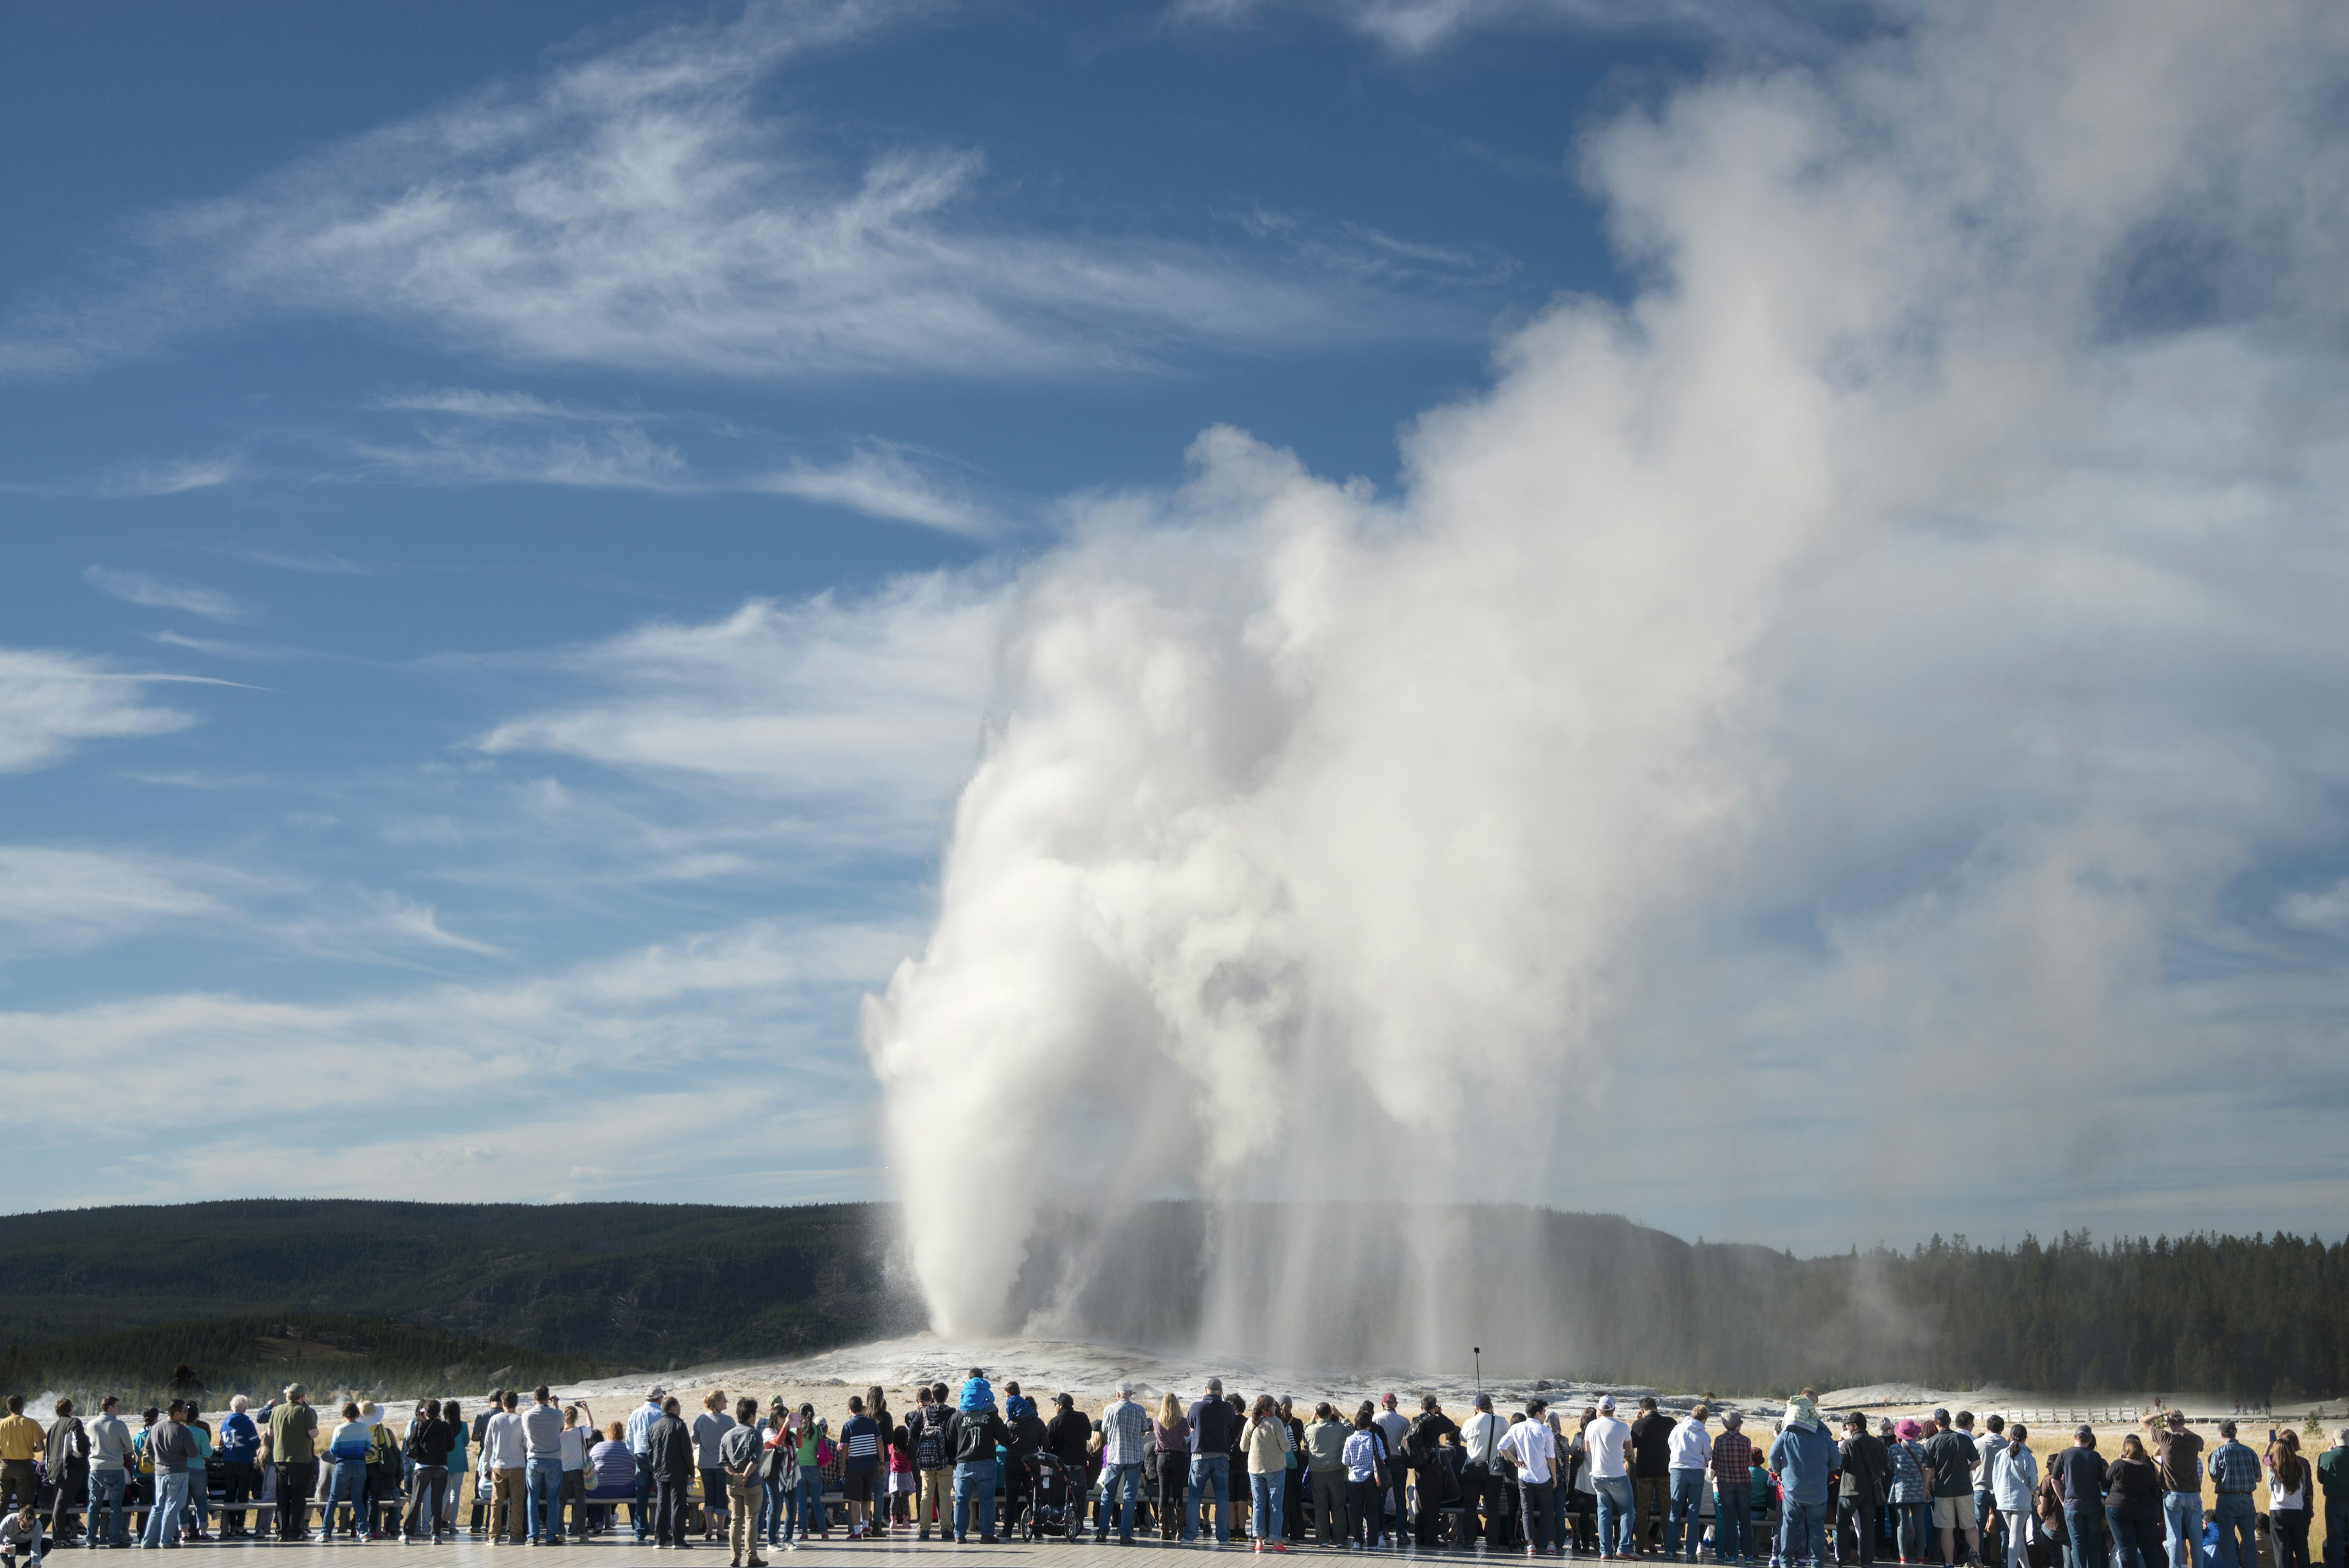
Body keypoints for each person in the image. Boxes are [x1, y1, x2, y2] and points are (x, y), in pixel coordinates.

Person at [1770, 1397, 1838, 1568]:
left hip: (1792, 1492)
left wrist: (1779, 1473)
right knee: (1816, 1527)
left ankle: (1785, 1562)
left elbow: (1772, 1457)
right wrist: (1823, 1469)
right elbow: (1837, 1462)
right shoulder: (1823, 1435)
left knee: (1789, 1525)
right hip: (1817, 1493)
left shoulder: (1787, 1435)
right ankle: (1816, 1563)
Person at [948, 1378, 1012, 1545]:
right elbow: (1004, 1438)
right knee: (986, 1500)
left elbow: (949, 1435)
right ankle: (987, 1534)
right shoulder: (991, 1415)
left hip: (963, 1463)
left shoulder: (958, 1414)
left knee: (961, 1500)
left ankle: (960, 1534)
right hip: (986, 1462)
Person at [1500, 1397, 1560, 1558]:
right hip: (1543, 1477)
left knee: (1527, 1511)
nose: (1545, 1416)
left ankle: (1530, 1545)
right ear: (1538, 1413)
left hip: (1525, 1477)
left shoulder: (1517, 1428)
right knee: (1547, 1510)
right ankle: (1551, 1545)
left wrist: (1516, 1462)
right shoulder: (1545, 1431)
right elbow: (1551, 1457)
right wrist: (1554, 1476)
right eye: (1544, 1413)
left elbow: (1502, 1446)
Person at [1919, 1410, 1980, 1568]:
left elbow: (1927, 1470)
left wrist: (1925, 1490)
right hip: (1964, 1489)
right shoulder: (1963, 1439)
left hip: (1943, 1491)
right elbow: (1977, 1462)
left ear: (1935, 1423)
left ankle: (1949, 1563)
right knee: (1970, 1525)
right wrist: (1965, 1469)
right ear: (1950, 1421)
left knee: (1946, 1528)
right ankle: (1975, 1553)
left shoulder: (1931, 1443)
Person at [1095, 1382, 1151, 1545]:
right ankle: (1125, 1534)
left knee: (1108, 1495)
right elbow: (1143, 1431)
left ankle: (1102, 1532)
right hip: (1134, 1456)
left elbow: (1105, 1430)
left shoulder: (1109, 1409)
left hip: (1115, 1456)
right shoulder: (1139, 1410)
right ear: (1130, 1394)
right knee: (1129, 1496)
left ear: (1118, 1394)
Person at [2149, 1412, 2203, 1568]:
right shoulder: (2195, 1447)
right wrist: (2182, 1429)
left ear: (2169, 1423)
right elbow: (2201, 1442)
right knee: (2196, 1540)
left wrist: (2163, 1413)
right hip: (2193, 1496)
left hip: (2173, 1494)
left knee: (2174, 1540)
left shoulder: (2167, 1440)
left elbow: (2143, 1421)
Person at [1185, 1378, 1236, 1545]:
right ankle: (1222, 1537)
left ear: (1205, 1390)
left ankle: (1190, 1535)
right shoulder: (1227, 1408)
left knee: (1194, 1497)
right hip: (1221, 1456)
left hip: (1200, 1457)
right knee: (1222, 1498)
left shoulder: (1196, 1407)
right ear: (1221, 1391)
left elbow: (1191, 1424)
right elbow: (1231, 1423)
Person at [719, 1397, 767, 1568]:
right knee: (751, 1520)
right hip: (752, 1482)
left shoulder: (727, 1435)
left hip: (731, 1482)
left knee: (735, 1520)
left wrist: (736, 1476)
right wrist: (745, 1476)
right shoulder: (755, 1434)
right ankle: (752, 1556)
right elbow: (755, 1460)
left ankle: (734, 1557)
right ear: (752, 1416)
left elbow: (723, 1461)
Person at [2049, 1427, 2107, 1568]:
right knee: (2093, 1544)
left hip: (2072, 1506)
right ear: (2090, 1440)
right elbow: (2103, 1483)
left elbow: (2054, 1480)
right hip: (2093, 1505)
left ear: (2074, 1436)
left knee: (2077, 1544)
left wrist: (2063, 1500)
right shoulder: (2096, 1457)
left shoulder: (2064, 1454)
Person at [138, 1402, 193, 1550]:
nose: (187, 1413)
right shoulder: (183, 1431)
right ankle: (166, 1540)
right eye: (185, 1411)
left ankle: (148, 1541)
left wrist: (159, 1459)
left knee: (158, 1506)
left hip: (160, 1473)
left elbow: (148, 1449)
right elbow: (193, 1453)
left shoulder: (156, 1428)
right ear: (176, 1414)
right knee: (173, 1506)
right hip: (178, 1472)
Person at [1837, 1411, 1888, 1568]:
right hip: (1870, 1491)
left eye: (1848, 1425)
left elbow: (1840, 1466)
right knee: (1867, 1527)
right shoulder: (1878, 1444)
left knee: (1843, 1524)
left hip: (1850, 1490)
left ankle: (1844, 1558)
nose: (1847, 1427)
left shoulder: (1848, 1444)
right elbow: (1884, 1465)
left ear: (1855, 1426)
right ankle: (1867, 1561)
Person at [269, 1386, 320, 1542]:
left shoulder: (276, 1410)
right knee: (298, 1497)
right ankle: (295, 1531)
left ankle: (281, 1532)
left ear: (288, 1396)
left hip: (280, 1458)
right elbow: (313, 1433)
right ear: (302, 1397)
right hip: (300, 1459)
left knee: (282, 1497)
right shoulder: (305, 1412)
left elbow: (270, 1433)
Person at [2206, 1421, 2260, 1568]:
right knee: (2249, 1540)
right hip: (2247, 1499)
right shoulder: (2250, 1451)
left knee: (2227, 1540)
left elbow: (2215, 1477)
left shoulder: (2219, 1452)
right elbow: (2259, 1478)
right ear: (2235, 1433)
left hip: (2227, 1499)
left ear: (2221, 1434)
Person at [1455, 1395, 1507, 1548]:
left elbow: (1462, 1437)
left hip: (1474, 1470)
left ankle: (1470, 1539)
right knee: (1492, 1507)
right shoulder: (1501, 1421)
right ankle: (1492, 1541)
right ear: (1491, 1406)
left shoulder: (1470, 1423)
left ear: (1476, 1408)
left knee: (1471, 1505)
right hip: (1494, 1471)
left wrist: (1474, 1417)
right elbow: (1508, 1436)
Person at [519, 1385, 566, 1548]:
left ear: (534, 1398)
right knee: (553, 1499)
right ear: (548, 1398)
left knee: (532, 1498)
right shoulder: (557, 1414)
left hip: (534, 1460)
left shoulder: (526, 1416)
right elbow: (561, 1428)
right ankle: (551, 1535)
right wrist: (556, 1405)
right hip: (553, 1459)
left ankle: (533, 1536)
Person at [401, 1398, 455, 1542]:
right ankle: (435, 1535)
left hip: (423, 1467)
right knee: (436, 1502)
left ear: (425, 1412)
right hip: (441, 1467)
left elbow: (410, 1443)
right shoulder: (446, 1426)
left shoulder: (420, 1425)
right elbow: (451, 1447)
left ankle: (407, 1534)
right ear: (439, 1412)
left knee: (416, 1500)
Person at [647, 1396, 697, 1551]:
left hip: (660, 1471)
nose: (681, 1409)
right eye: (679, 1406)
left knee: (662, 1505)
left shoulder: (654, 1427)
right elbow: (687, 1451)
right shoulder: (679, 1425)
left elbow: (649, 1451)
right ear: (673, 1408)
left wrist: (655, 1467)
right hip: (678, 1471)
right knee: (678, 1505)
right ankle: (678, 1540)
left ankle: (660, 1540)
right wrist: (691, 1471)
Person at [1590, 1396, 1636, 1561]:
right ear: (1614, 1409)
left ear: (1600, 1409)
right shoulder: (1622, 1427)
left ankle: (1605, 1551)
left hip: (1597, 1475)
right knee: (1628, 1510)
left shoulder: (1591, 1425)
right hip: (1617, 1475)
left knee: (1603, 1513)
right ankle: (1624, 1547)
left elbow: (1588, 1448)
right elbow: (1629, 1452)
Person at [1630, 1397, 1677, 1558]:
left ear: (1642, 1411)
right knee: (1667, 1509)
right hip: (1665, 1471)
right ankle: (1670, 1547)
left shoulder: (1638, 1424)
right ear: (1656, 1408)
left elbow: (1632, 1446)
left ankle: (1639, 1547)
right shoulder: (1671, 1422)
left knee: (1642, 1510)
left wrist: (1638, 1422)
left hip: (1644, 1473)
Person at [85, 1397, 132, 1550]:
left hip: (95, 1468)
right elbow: (129, 1447)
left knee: (94, 1504)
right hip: (115, 1467)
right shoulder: (119, 1424)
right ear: (111, 1407)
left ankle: (91, 1539)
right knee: (115, 1505)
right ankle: (114, 1539)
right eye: (118, 1406)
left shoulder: (91, 1424)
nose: (119, 1409)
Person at [906, 1386, 952, 1544]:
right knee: (945, 1495)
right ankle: (946, 1529)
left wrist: (923, 1446)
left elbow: (912, 1433)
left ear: (933, 1397)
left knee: (926, 1494)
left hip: (926, 1462)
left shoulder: (923, 1412)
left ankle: (924, 1530)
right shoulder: (951, 1412)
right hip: (945, 1461)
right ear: (946, 1396)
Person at [1668, 1403, 1713, 1562]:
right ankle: (1690, 1553)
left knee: (1675, 1511)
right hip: (1696, 1472)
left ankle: (1670, 1550)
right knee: (1694, 1513)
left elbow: (1670, 1444)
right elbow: (1708, 1456)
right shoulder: (1703, 1434)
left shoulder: (1678, 1429)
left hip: (1677, 1471)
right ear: (1704, 1419)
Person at [692, 1392, 738, 1545]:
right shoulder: (728, 1421)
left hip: (705, 1465)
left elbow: (695, 1439)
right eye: (724, 1400)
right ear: (717, 1403)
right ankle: (720, 1529)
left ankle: (708, 1530)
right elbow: (734, 1442)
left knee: (709, 1496)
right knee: (722, 1496)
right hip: (723, 1465)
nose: (727, 1402)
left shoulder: (701, 1419)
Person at [627, 1388, 669, 1546]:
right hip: (658, 1456)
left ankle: (640, 1530)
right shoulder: (660, 1414)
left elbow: (629, 1440)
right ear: (659, 1399)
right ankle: (664, 1529)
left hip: (640, 1455)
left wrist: (636, 1454)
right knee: (663, 1495)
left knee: (642, 1495)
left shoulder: (635, 1414)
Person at [41, 1400, 86, 1548]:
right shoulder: (74, 1423)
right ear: (71, 1409)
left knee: (59, 1503)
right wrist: (79, 1455)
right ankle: (59, 1538)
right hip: (70, 1468)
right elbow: (77, 1444)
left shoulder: (53, 1427)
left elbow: (47, 1451)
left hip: (54, 1469)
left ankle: (60, 1537)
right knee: (61, 1504)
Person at [213, 1395, 259, 1541]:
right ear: (245, 1409)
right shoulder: (247, 1423)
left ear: (231, 1408)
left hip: (228, 1462)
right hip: (244, 1461)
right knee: (243, 1496)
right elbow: (256, 1443)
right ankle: (239, 1527)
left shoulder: (225, 1423)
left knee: (230, 1495)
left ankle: (228, 1527)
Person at [1713, 1412, 1756, 1565]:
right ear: (1738, 1424)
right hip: (1743, 1482)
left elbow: (1715, 1464)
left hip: (1725, 1483)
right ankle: (1748, 1555)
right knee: (1745, 1519)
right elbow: (1748, 1461)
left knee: (1730, 1520)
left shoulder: (1719, 1440)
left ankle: (1731, 1555)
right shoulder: (1746, 1440)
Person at [837, 1394, 880, 1541]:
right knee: (867, 1497)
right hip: (871, 1466)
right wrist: (881, 1462)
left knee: (854, 1500)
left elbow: (845, 1449)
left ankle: (857, 1531)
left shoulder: (848, 1425)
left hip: (855, 1466)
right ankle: (866, 1527)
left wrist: (843, 1467)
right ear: (862, 1407)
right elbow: (879, 1443)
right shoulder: (872, 1423)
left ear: (850, 1410)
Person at [1991, 1429, 2036, 1568]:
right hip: (2021, 1500)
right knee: (2016, 1536)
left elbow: (1995, 1478)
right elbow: (2033, 1481)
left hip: (2003, 1500)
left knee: (2016, 1536)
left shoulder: (2000, 1455)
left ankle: (2026, 1566)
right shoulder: (2028, 1456)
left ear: (2009, 1436)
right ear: (2025, 1437)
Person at [1343, 1409, 1387, 1549]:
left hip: (1354, 1479)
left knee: (1356, 1510)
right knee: (1372, 1511)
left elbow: (1345, 1461)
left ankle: (1358, 1540)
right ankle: (1373, 1543)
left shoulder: (1350, 1439)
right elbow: (1383, 1456)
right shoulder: (1374, 1438)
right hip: (1371, 1477)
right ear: (1369, 1424)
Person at [1154, 1394, 1193, 1543]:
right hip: (1178, 1458)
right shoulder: (1182, 1421)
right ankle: (1180, 1531)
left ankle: (1163, 1530)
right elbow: (1187, 1433)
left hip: (1162, 1458)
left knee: (1163, 1493)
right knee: (1178, 1494)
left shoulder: (1156, 1421)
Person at [590, 1419, 638, 1537]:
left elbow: (589, 1465)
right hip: (625, 1489)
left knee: (594, 1489)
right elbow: (636, 1466)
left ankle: (597, 1523)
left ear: (608, 1433)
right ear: (622, 1433)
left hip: (600, 1490)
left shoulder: (597, 1448)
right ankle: (636, 1524)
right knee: (636, 1494)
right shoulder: (628, 1449)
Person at [0, 1399, 42, 1520]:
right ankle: (24, 1531)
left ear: (8, 1408)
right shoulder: (31, 1423)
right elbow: (40, 1446)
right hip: (25, 1466)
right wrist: (30, 1449)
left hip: (6, 1465)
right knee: (25, 1503)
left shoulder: (2, 1424)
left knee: (3, 1501)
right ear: (23, 1407)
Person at [1973, 1418, 2008, 1557]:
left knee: (1978, 1527)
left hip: (1980, 1488)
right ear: (2002, 1429)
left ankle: (1977, 1558)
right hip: (2001, 1490)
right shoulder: (2007, 1445)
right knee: (2004, 1528)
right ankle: (2006, 1560)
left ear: (1987, 1427)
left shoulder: (1977, 1443)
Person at [560, 1403, 593, 1541]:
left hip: (564, 1472)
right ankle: (582, 1533)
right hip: (579, 1471)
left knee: (561, 1503)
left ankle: (560, 1532)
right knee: (581, 1502)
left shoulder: (560, 1435)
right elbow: (591, 1425)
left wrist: (556, 1406)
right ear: (576, 1417)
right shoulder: (581, 1432)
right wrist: (587, 1410)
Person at [2316, 1429, 2347, 1568]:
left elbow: (2321, 1479)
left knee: (2334, 1541)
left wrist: (2329, 1453)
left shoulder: (2325, 1457)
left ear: (2334, 1442)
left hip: (2334, 1503)